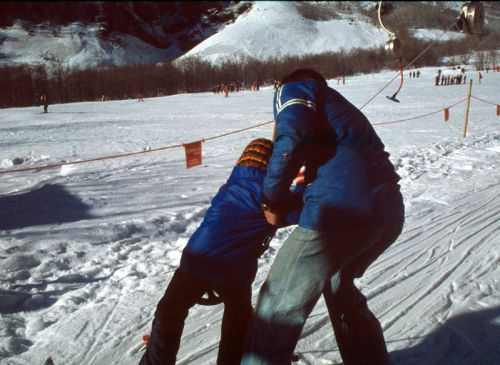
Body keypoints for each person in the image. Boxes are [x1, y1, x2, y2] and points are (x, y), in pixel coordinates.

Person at [241, 69, 405, 365]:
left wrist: (271, 195)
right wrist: (283, 210)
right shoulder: (339, 116)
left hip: (341, 216)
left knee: (277, 304)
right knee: (339, 288)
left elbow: (291, 138)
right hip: (387, 213)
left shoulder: (297, 88)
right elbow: (338, 179)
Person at [139, 138, 303, 365]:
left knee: (169, 311)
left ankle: (157, 357)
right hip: (233, 273)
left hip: (196, 261)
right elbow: (295, 211)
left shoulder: (231, 185)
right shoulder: (269, 196)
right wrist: (303, 184)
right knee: (238, 319)